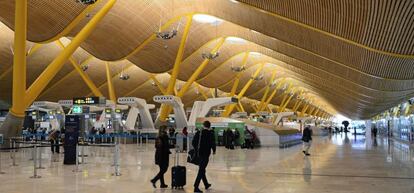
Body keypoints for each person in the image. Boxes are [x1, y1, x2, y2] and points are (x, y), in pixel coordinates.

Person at [192, 121, 216, 193]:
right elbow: (213, 143)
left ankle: (206, 184)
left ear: (203, 125)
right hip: (206, 154)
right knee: (201, 170)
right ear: (209, 126)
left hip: (199, 154)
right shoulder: (210, 133)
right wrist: (214, 150)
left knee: (202, 169)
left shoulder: (199, 133)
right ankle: (196, 187)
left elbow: (193, 142)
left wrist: (197, 149)